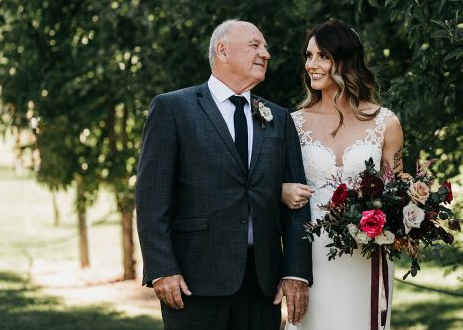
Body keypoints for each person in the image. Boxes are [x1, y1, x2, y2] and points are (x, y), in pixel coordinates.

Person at [135, 19, 313, 330]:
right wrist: (162, 269)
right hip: (193, 280)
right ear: (223, 50)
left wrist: (295, 271)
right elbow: (151, 199)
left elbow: (297, 199)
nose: (266, 54)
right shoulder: (172, 109)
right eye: (255, 45)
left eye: (265, 47)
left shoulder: (279, 118)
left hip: (262, 284)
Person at [281, 20, 404, 330]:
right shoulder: (292, 124)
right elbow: (273, 184)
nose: (312, 65)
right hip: (312, 253)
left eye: (322, 56)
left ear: (345, 60)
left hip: (366, 253)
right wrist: (280, 189)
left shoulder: (385, 122)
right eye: (309, 56)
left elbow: (397, 193)